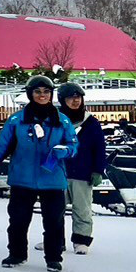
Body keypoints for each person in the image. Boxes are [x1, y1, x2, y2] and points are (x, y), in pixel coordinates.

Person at [0, 75, 79, 272]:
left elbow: (74, 145)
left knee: (54, 222)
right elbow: (2, 147)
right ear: (30, 94)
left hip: (53, 180)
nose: (42, 96)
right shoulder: (17, 120)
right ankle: (16, 254)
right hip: (22, 179)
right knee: (18, 220)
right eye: (38, 92)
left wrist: (65, 151)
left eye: (46, 92)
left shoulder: (62, 120)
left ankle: (53, 257)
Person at [59, 81, 107, 255]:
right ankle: (55, 240)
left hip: (82, 173)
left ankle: (81, 240)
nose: (75, 101)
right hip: (59, 173)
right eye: (71, 97)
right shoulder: (55, 120)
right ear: (62, 100)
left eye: (78, 97)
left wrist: (98, 170)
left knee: (82, 210)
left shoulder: (90, 122)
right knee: (54, 209)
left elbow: (100, 148)